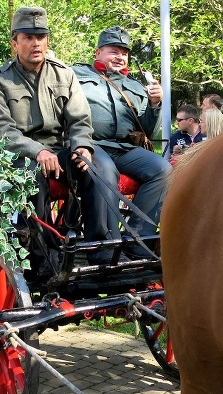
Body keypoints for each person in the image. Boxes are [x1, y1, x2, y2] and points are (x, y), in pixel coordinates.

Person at [0, 6, 102, 263]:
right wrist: (39, 152)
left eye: (40, 37)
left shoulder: (64, 74)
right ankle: (43, 255)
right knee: (34, 178)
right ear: (15, 43)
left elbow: (80, 119)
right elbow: (4, 131)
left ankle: (97, 247)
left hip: (60, 150)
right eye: (27, 37)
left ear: (47, 40)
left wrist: (82, 147)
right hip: (19, 155)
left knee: (95, 168)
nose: (35, 43)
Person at [72, 26, 170, 260]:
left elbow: (147, 129)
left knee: (163, 169)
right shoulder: (75, 75)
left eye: (124, 53)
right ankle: (103, 247)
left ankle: (137, 240)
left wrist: (155, 104)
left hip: (124, 148)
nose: (120, 57)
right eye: (113, 51)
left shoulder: (135, 86)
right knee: (105, 171)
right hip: (91, 144)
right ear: (98, 52)